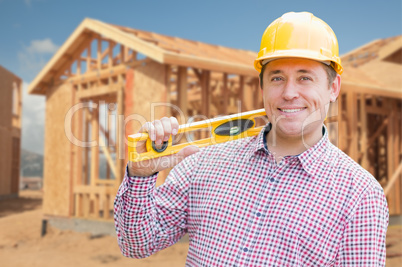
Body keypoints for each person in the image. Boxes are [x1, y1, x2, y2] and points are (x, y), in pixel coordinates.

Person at [114, 12, 388, 266]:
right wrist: (140, 176)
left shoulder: (360, 196)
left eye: (305, 78)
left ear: (333, 87)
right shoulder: (203, 164)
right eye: (277, 78)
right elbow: (136, 245)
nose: (289, 93)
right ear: (263, 87)